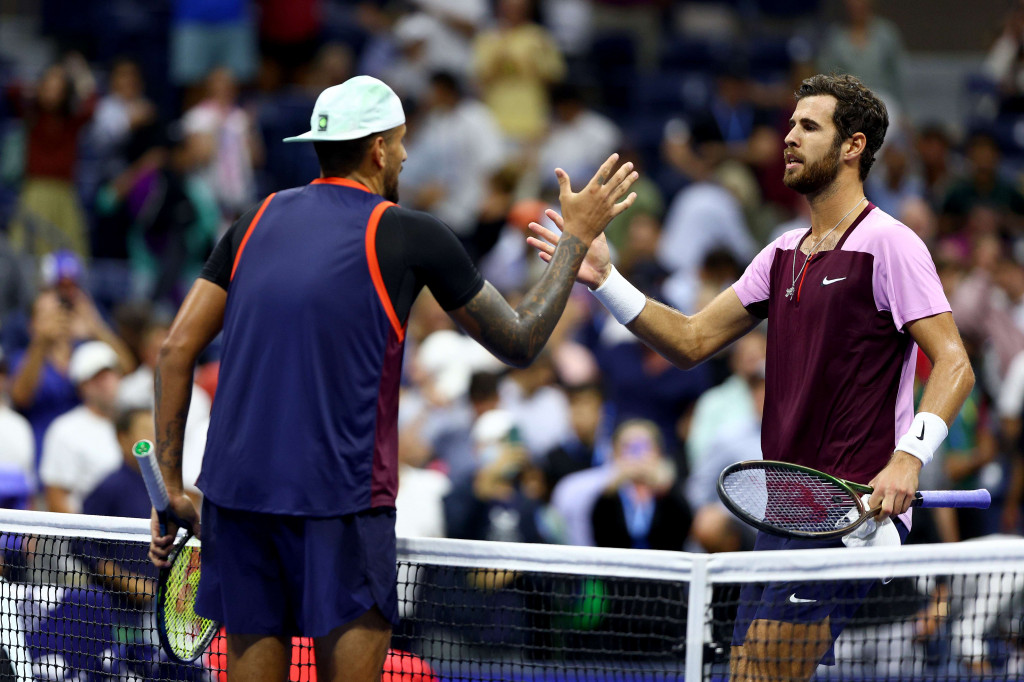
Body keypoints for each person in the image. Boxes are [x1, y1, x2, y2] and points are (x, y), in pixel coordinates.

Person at [147, 74, 636, 682]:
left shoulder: (254, 219)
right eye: (402, 142)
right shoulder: (409, 234)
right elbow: (519, 340)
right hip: (343, 503)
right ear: (379, 149)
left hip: (236, 500)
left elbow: (173, 350)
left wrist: (169, 486)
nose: (406, 154)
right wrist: (578, 239)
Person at [528, 73, 974, 681]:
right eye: (790, 124)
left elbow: (954, 363)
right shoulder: (781, 253)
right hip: (784, 508)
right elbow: (690, 341)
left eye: (808, 127)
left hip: (849, 514)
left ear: (853, 146)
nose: (788, 137)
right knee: (745, 673)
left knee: (761, 675)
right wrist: (607, 278)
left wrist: (908, 459)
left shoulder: (891, 245)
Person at [38, 341, 124, 514]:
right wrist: (87, 538)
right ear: (82, 386)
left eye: (110, 375)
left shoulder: (135, 423)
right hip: (90, 533)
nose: (106, 384)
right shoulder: (64, 429)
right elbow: (56, 497)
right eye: (96, 379)